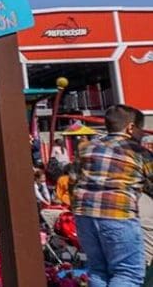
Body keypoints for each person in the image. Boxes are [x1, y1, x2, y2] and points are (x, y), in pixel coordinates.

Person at [73, 104, 152, 287]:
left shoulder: (86, 148)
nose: (143, 135)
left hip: (84, 215)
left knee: (98, 270)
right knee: (128, 273)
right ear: (131, 128)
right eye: (142, 131)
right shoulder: (138, 152)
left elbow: (73, 179)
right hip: (118, 215)